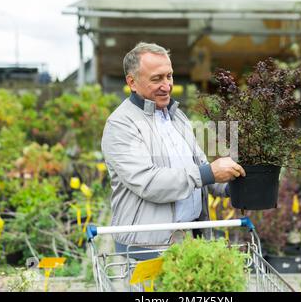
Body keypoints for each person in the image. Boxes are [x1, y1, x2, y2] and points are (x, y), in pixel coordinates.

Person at [101, 42, 246, 259]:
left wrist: (235, 186)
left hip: (190, 238)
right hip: (147, 246)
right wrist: (208, 173)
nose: (167, 85)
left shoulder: (176, 116)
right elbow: (148, 182)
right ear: (132, 82)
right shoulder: (121, 125)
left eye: (169, 76)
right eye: (156, 78)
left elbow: (200, 169)